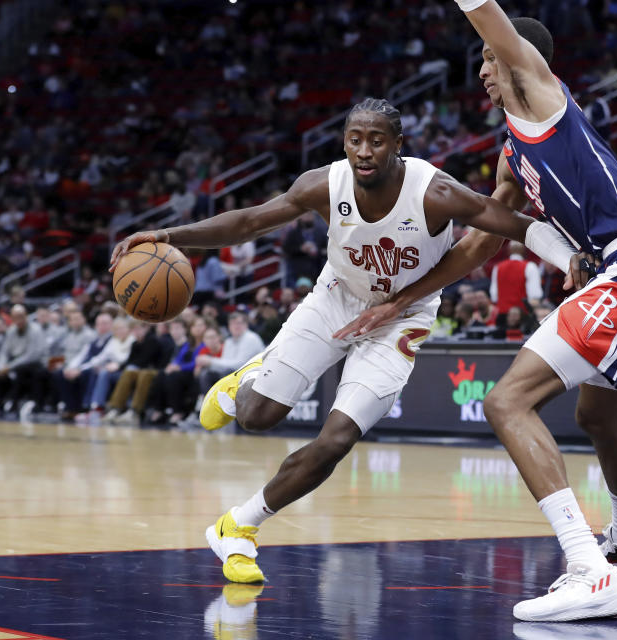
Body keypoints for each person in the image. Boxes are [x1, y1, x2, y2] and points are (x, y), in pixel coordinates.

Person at [109, 98, 592, 596]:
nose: (364, 150)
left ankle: (239, 526)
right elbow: (249, 221)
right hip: (337, 298)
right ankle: (246, 380)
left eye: (377, 140)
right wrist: (168, 234)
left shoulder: (435, 192)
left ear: (398, 146)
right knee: (256, 417)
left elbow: (514, 224)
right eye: (355, 139)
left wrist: (568, 256)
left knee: (336, 441)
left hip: (403, 318)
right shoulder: (323, 183)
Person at [338, 8, 617, 621]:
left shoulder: (542, 99)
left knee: (505, 402)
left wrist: (494, 34)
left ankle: (589, 570)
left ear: (518, 61)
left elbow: (492, 22)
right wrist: (398, 299)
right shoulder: (513, 154)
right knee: (597, 413)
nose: (484, 71)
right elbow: (484, 241)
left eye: (491, 59)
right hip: (616, 274)